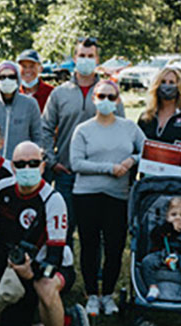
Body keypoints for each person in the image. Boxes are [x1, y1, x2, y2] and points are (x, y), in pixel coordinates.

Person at [0, 141, 91, 326]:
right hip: (16, 268)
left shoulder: (53, 200)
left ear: (43, 166)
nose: (27, 167)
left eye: (33, 163)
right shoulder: (2, 190)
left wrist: (32, 273)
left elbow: (55, 256)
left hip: (51, 267)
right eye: (21, 163)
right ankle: (66, 319)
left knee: (44, 286)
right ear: (12, 167)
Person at [70, 80, 144, 317]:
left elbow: (149, 150)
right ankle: (91, 294)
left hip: (118, 196)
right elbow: (76, 163)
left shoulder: (129, 128)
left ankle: (108, 294)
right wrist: (109, 168)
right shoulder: (83, 130)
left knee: (114, 246)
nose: (106, 101)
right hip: (87, 194)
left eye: (111, 97)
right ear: (94, 99)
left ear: (119, 100)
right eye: (101, 96)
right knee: (90, 246)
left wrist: (132, 160)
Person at [41, 37, 124, 243]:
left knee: (95, 230)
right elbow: (45, 128)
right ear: (75, 58)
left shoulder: (109, 93)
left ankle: (93, 272)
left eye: (90, 56)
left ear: (97, 60)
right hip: (67, 172)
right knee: (64, 227)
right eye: (81, 56)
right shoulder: (60, 93)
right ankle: (62, 269)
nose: (86, 60)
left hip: (99, 173)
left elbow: (122, 128)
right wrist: (52, 161)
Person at [0, 62, 45, 159]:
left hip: (20, 163)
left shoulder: (30, 104)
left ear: (17, 79)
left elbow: (38, 136)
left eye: (11, 76)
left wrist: (32, 159)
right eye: (2, 77)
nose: (7, 80)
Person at [139, 197, 181, 301]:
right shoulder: (163, 228)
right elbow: (154, 236)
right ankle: (153, 288)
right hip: (160, 254)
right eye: (173, 214)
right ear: (167, 216)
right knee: (147, 262)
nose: (177, 218)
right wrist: (168, 227)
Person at [137, 67, 181, 145]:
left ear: (179, 87)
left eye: (171, 82)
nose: (167, 86)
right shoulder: (146, 117)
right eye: (163, 82)